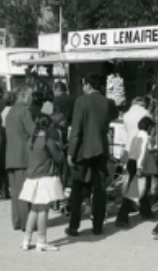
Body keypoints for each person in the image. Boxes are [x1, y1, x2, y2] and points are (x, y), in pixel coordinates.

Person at [65, 73, 114, 236]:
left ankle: (74, 226)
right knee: (99, 189)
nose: (82, 87)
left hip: (83, 151)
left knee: (78, 189)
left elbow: (76, 130)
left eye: (83, 84)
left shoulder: (81, 101)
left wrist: (71, 152)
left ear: (88, 85)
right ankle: (98, 226)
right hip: (101, 149)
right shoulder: (107, 102)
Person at [19, 114, 65, 251]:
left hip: (32, 177)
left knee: (34, 209)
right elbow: (59, 158)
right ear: (49, 125)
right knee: (43, 211)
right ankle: (41, 241)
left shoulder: (30, 141)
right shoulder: (48, 141)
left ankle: (26, 240)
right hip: (45, 178)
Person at [115, 116, 155, 227]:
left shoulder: (136, 135)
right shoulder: (146, 136)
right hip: (138, 163)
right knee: (135, 191)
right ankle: (122, 218)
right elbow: (141, 152)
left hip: (131, 162)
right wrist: (140, 167)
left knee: (139, 189)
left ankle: (146, 210)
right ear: (149, 126)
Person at [5, 85, 35, 231]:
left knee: (15, 191)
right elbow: (32, 131)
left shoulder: (10, 111)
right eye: (30, 96)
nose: (31, 99)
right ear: (23, 96)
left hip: (11, 155)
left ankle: (17, 220)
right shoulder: (24, 111)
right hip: (22, 156)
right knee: (24, 191)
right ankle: (26, 222)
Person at [121, 97, 150, 163]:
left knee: (128, 165)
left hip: (129, 143)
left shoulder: (126, 114)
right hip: (142, 142)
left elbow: (126, 130)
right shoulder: (146, 113)